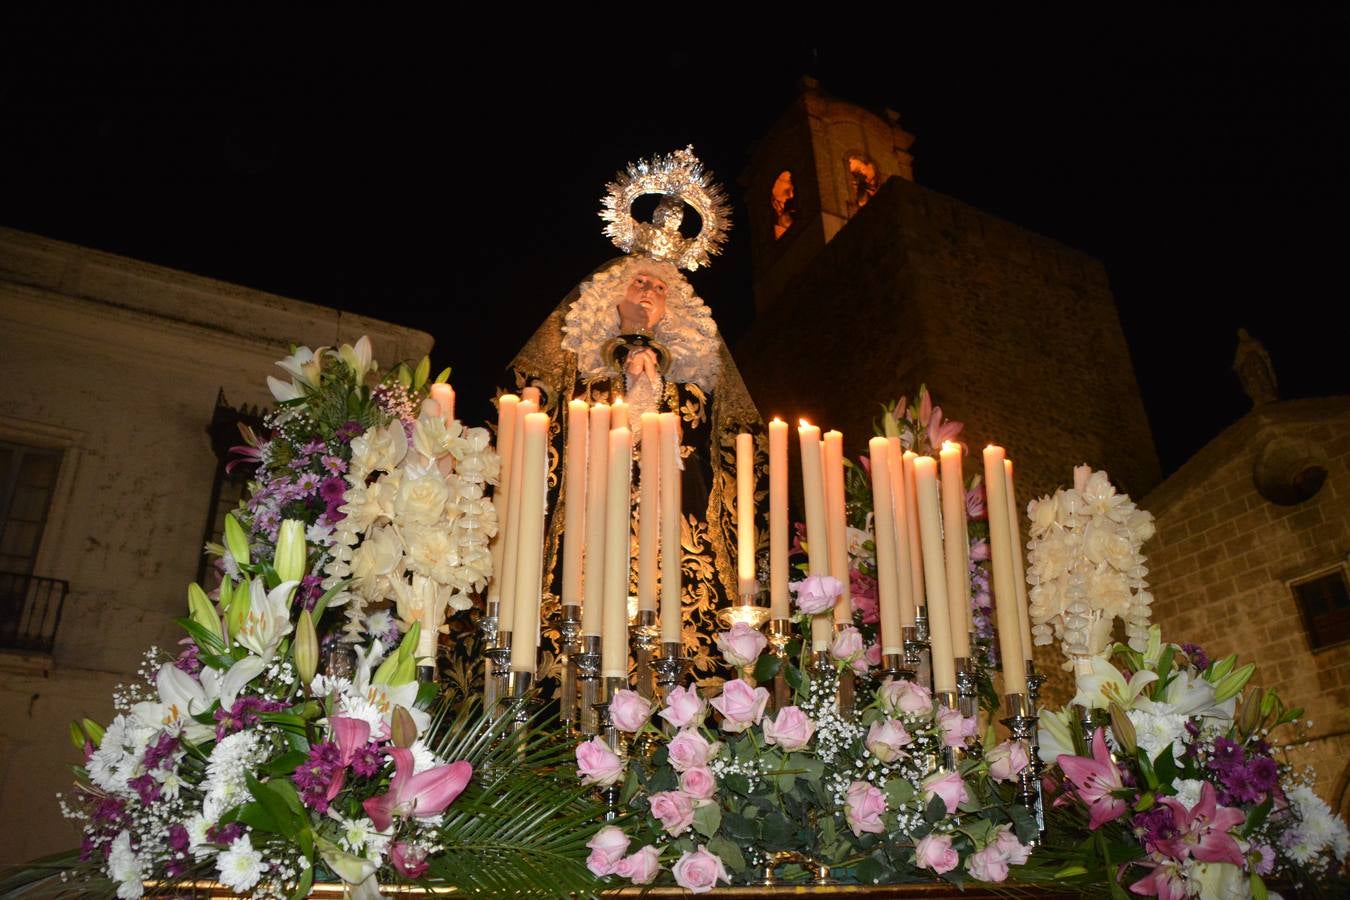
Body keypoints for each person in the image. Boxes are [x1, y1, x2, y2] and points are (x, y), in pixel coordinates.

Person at [506, 253, 764, 681]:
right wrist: (618, 383)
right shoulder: (579, 372)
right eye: (640, 281)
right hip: (594, 510)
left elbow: (711, 446)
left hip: (674, 524)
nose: (650, 292)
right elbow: (553, 432)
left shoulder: (689, 385)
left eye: (661, 288)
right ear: (610, 293)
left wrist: (657, 389)